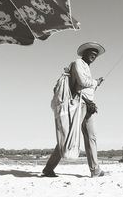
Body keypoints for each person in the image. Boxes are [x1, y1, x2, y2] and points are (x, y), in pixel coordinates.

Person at [42, 42, 107, 178]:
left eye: (95, 55)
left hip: (88, 105)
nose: (94, 56)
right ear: (85, 53)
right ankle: (48, 169)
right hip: (78, 105)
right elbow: (83, 82)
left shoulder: (86, 67)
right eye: (91, 53)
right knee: (68, 137)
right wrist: (96, 82)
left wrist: (95, 85)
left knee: (91, 137)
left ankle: (95, 170)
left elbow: (85, 87)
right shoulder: (78, 63)